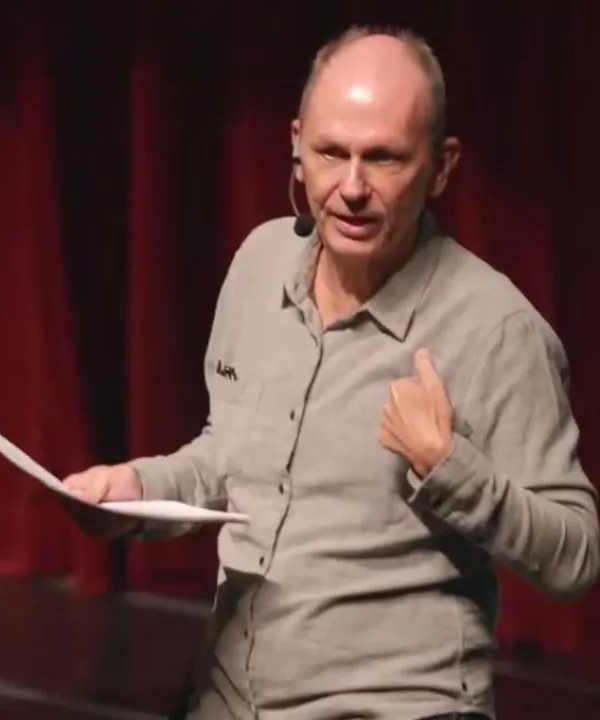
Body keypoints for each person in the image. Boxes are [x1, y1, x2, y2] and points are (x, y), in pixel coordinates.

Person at [60, 25, 600, 720]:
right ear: (295, 146)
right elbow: (234, 452)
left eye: (384, 158)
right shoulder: (259, 263)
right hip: (228, 700)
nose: (351, 188)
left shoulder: (496, 330)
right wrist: (137, 492)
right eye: (330, 153)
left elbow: (577, 557)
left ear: (441, 167)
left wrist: (451, 470)